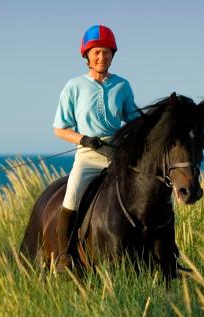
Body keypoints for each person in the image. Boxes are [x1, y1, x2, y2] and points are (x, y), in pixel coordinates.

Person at [52, 25, 140, 270]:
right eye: (97, 52)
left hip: (117, 155)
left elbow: (133, 120)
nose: (102, 57)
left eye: (107, 52)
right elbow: (59, 129)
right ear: (87, 56)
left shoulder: (123, 86)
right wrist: (84, 140)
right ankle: (63, 256)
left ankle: (167, 254)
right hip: (88, 155)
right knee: (71, 196)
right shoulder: (74, 86)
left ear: (113, 55)